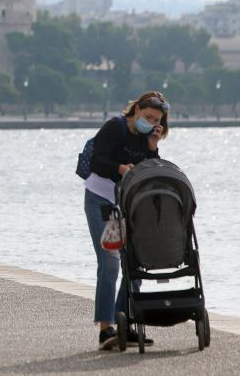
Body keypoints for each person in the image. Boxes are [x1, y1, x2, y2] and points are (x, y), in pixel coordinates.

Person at [84, 90, 169, 350]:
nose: (152, 123)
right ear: (135, 111)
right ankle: (105, 329)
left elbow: (151, 171)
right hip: (102, 200)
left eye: (157, 120)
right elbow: (97, 161)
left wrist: (153, 148)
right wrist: (119, 169)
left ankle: (125, 323)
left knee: (134, 263)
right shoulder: (115, 127)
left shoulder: (147, 138)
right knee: (110, 263)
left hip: (130, 204)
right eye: (147, 116)